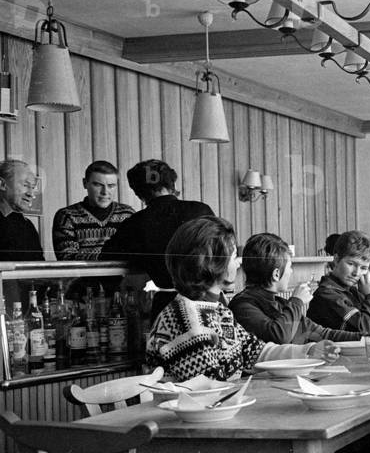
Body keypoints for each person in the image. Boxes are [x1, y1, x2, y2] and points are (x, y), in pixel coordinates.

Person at [146, 217, 339, 382]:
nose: (239, 263)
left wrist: (308, 351)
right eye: (234, 256)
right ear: (213, 263)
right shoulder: (187, 319)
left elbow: (254, 351)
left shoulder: (217, 309)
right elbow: (211, 387)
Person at [100, 159, 214, 319]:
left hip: (166, 307)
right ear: (172, 183)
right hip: (207, 303)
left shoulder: (134, 223)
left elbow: (105, 259)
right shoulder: (200, 210)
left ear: (138, 192)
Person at [229, 233, 360, 344]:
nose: (291, 272)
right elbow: (279, 337)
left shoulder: (281, 303)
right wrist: (296, 301)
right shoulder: (242, 306)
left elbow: (323, 334)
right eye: (290, 266)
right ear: (276, 274)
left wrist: (366, 337)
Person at [307, 230, 370, 334]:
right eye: (351, 264)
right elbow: (365, 331)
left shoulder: (353, 291)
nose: (356, 273)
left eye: (363, 268)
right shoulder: (326, 295)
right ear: (337, 259)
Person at [52, 161, 135, 260]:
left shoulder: (128, 214)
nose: (105, 192)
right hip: (82, 276)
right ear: (85, 183)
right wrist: (109, 257)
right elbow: (67, 258)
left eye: (111, 186)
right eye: (98, 185)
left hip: (122, 276)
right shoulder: (67, 216)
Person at [0, 160, 43, 261]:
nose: (31, 194)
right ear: (2, 184)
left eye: (33, 187)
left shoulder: (27, 226)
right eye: (25, 185)